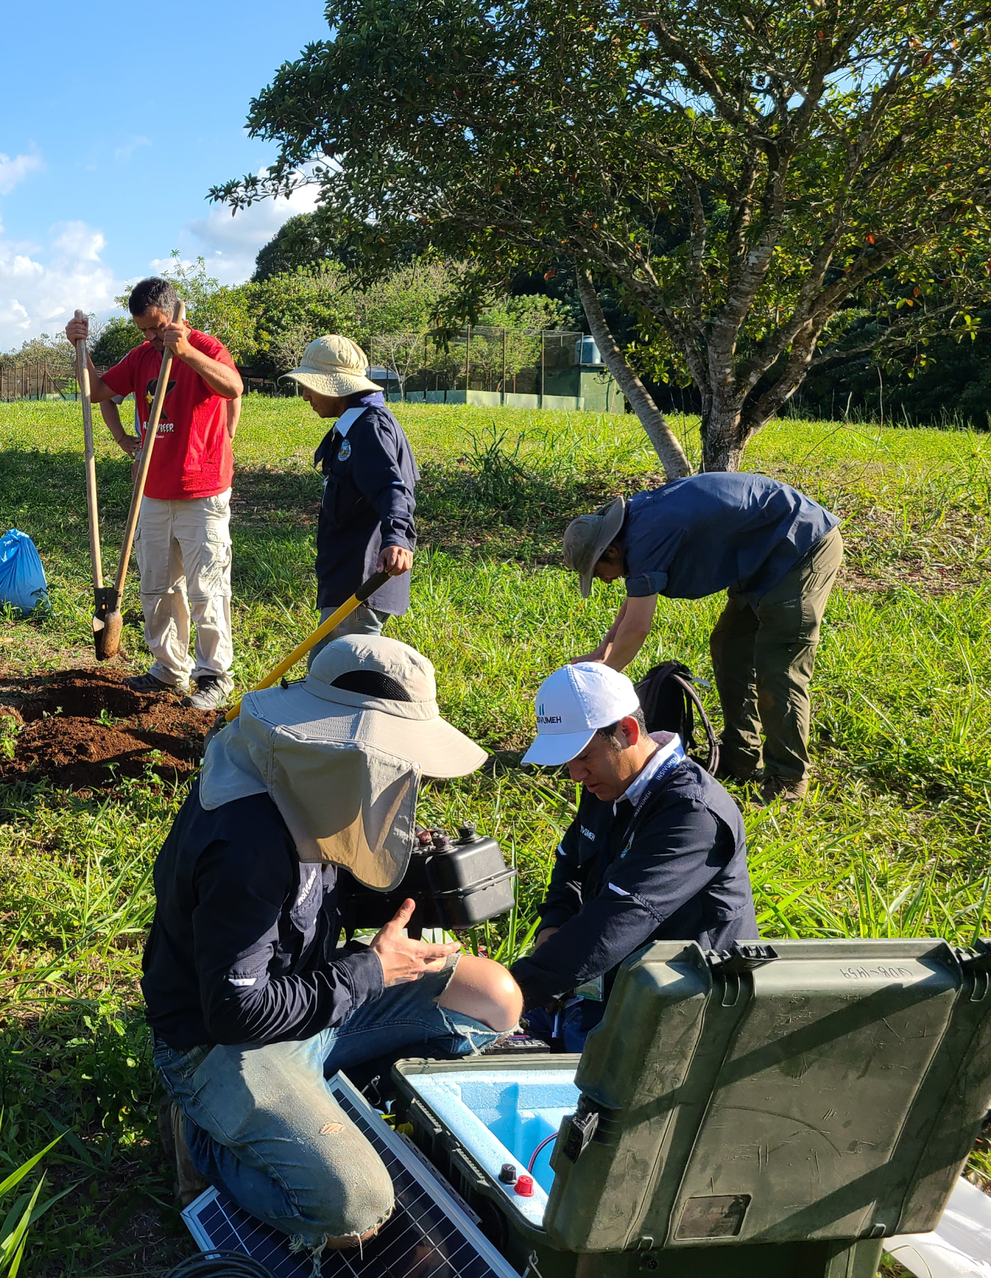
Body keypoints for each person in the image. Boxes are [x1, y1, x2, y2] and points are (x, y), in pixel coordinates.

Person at [144, 635, 522, 1248]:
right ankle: (198, 1137)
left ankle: (314, 1096)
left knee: (496, 997)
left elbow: (321, 893)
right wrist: (370, 971)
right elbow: (236, 1010)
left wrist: (409, 900)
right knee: (355, 1208)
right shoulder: (248, 838)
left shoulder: (305, 773)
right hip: (222, 1041)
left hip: (315, 993)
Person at [511, 661, 757, 1050]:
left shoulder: (693, 814)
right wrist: (552, 926)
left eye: (584, 756)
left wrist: (510, 993)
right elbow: (571, 862)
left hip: (684, 1012)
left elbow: (619, 918)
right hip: (607, 985)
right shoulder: (607, 784)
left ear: (627, 731)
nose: (576, 775)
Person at [563, 473, 842, 801]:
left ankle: (788, 780)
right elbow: (635, 599)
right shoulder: (635, 529)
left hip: (799, 546)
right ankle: (740, 756)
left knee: (778, 665)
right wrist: (603, 651)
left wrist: (601, 686)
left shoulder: (647, 534)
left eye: (598, 573)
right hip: (760, 558)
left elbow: (638, 627)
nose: (606, 582)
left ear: (610, 550)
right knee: (729, 646)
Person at [65, 278, 245, 710]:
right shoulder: (143, 357)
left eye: (156, 327)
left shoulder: (204, 346)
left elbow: (233, 388)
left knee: (206, 589)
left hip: (201, 491)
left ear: (175, 316)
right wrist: (80, 348)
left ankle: (214, 675)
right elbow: (97, 392)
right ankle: (168, 670)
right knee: (158, 586)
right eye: (143, 329)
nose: (150, 336)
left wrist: (185, 353)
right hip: (153, 490)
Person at [283, 335, 417, 645]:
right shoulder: (353, 428)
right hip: (345, 581)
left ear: (336, 385)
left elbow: (393, 488)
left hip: (361, 586)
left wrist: (396, 538)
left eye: (310, 385)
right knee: (327, 678)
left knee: (335, 683)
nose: (305, 396)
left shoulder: (370, 429)